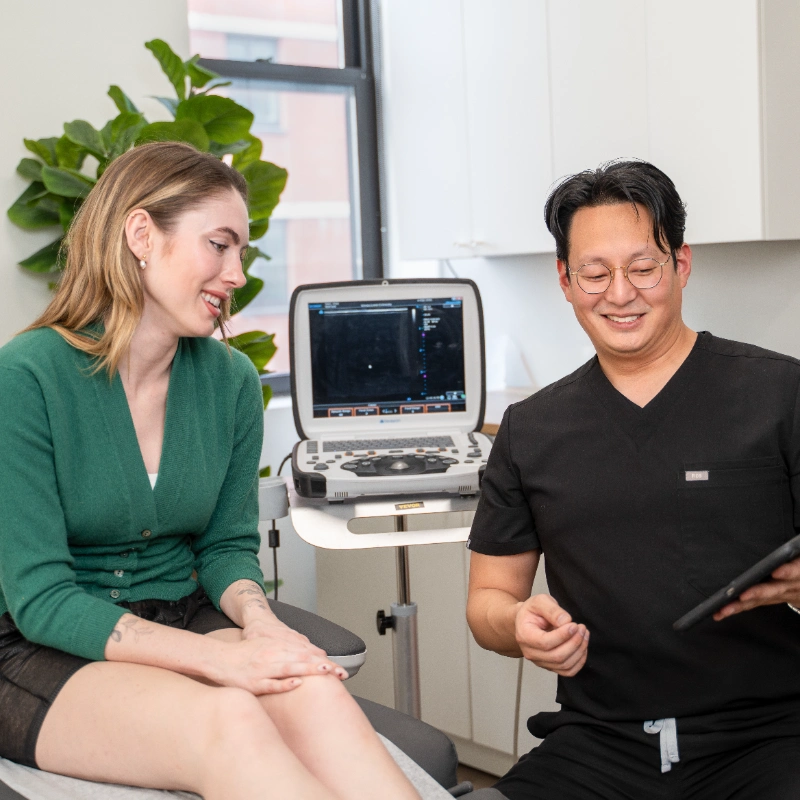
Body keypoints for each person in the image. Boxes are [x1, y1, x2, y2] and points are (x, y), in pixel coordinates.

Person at [0, 142, 421, 800]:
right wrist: (217, 657)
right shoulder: (27, 377)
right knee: (228, 717)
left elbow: (225, 548)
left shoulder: (229, 381)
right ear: (142, 234)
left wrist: (261, 626)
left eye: (243, 253)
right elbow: (42, 600)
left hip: (181, 612)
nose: (235, 273)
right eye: (218, 245)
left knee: (309, 690)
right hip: (40, 646)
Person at [466, 160, 800, 799]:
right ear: (564, 280)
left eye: (643, 267)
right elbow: (487, 601)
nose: (620, 293)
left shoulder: (779, 394)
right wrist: (517, 625)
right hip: (598, 746)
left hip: (769, 737)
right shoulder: (530, 430)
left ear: (682, 265)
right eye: (594, 272)